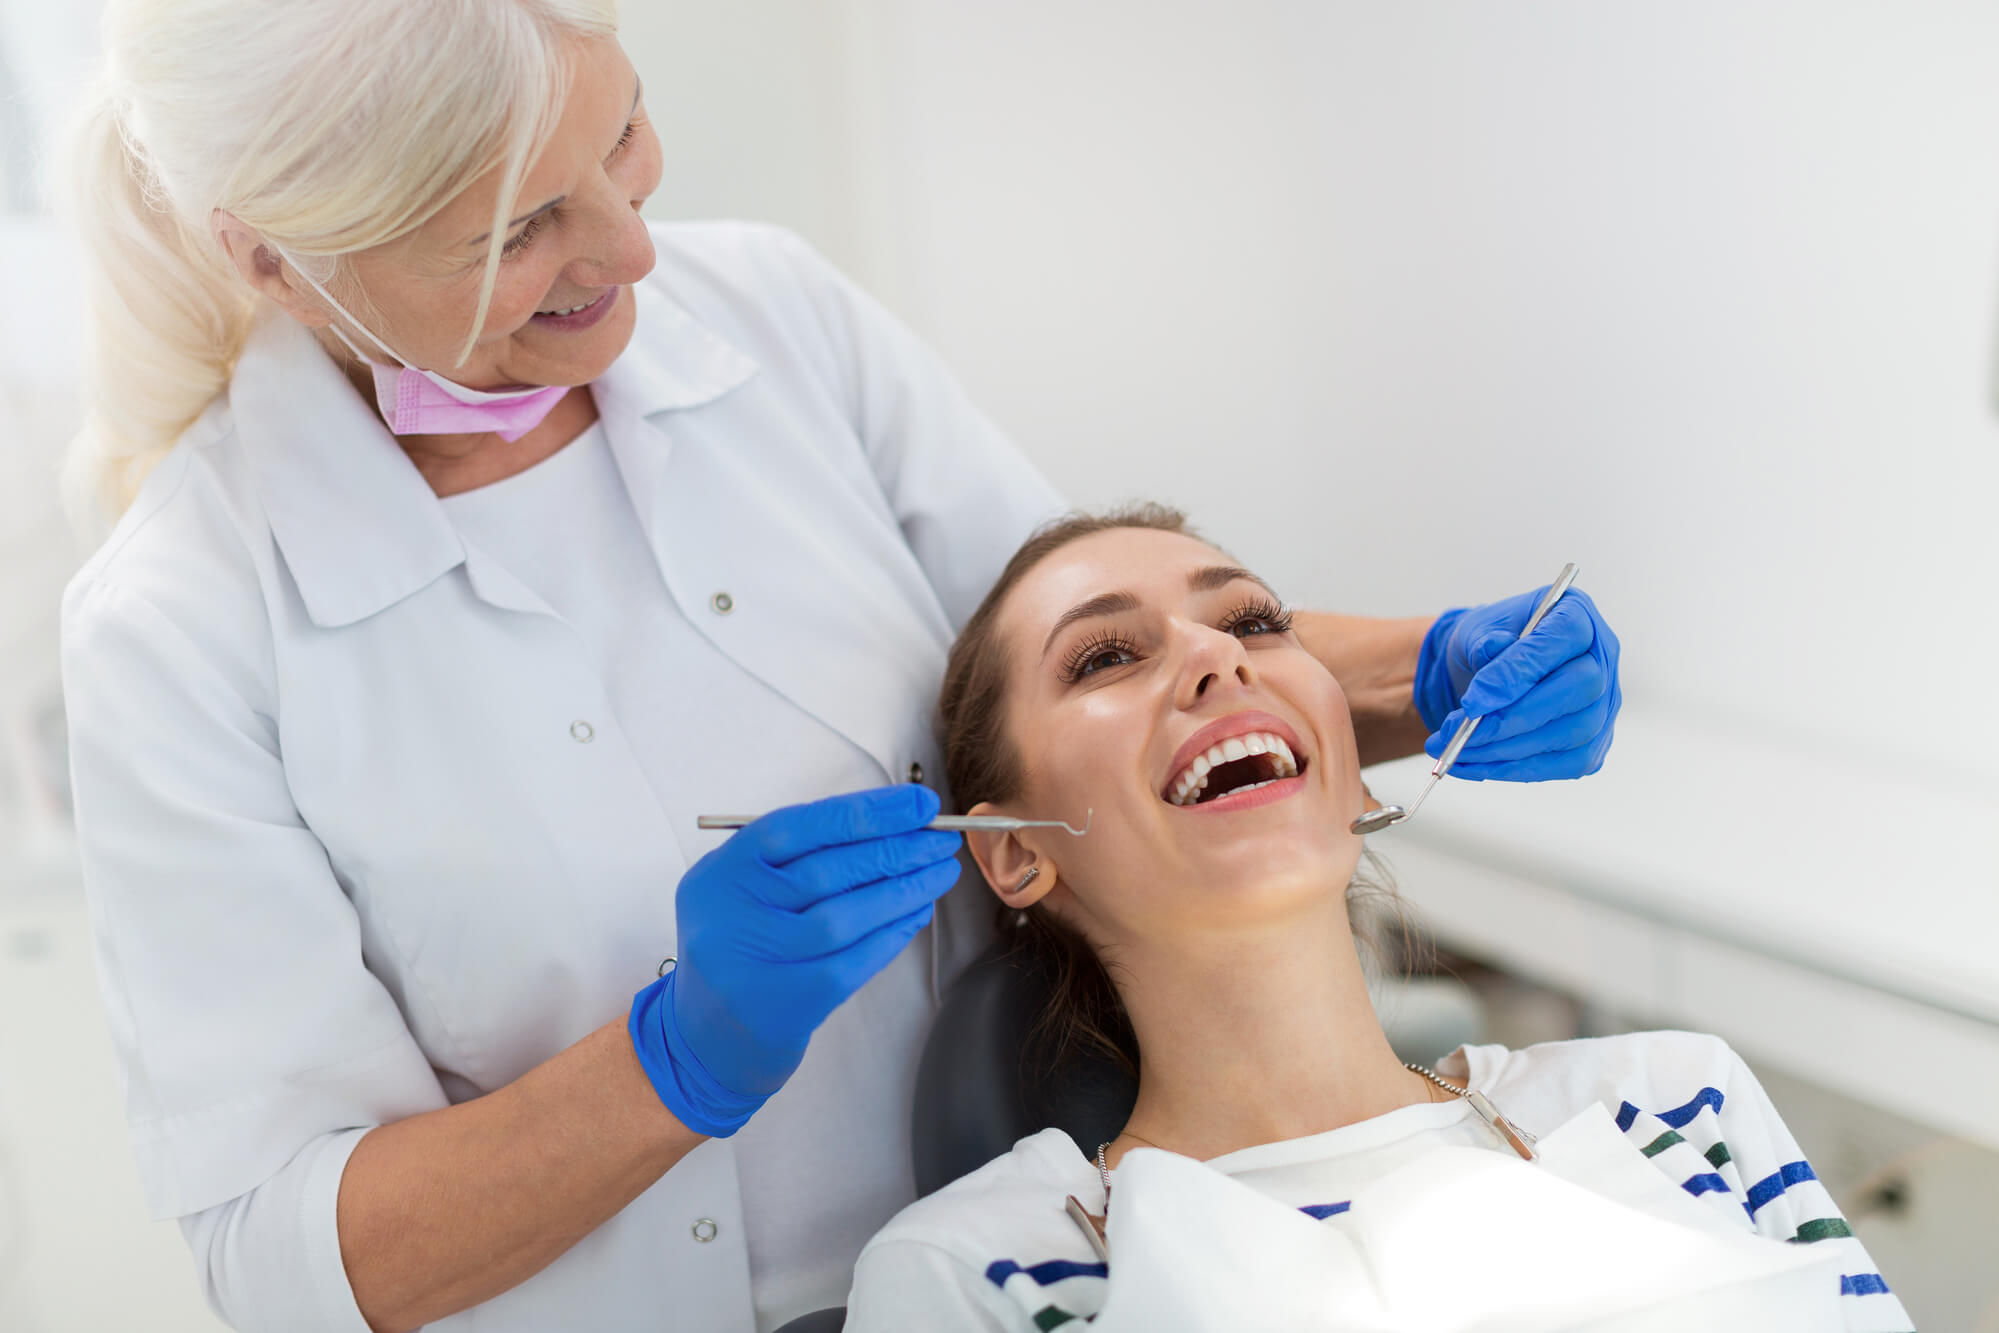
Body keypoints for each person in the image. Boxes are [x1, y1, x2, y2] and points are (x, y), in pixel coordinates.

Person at [55, 4, 1623, 1331]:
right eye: (516, 231)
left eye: (620, 141)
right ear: (271, 260)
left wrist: (1433, 667)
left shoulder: (773, 320)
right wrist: (674, 1061)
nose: (630, 246)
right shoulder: (180, 629)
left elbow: (1093, 657)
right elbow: (284, 1254)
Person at [845, 506, 1908, 1333]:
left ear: (1352, 768)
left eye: (1253, 622)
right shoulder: (979, 1267)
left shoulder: (1671, 1099)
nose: (1221, 659)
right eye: (1105, 657)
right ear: (1016, 852)